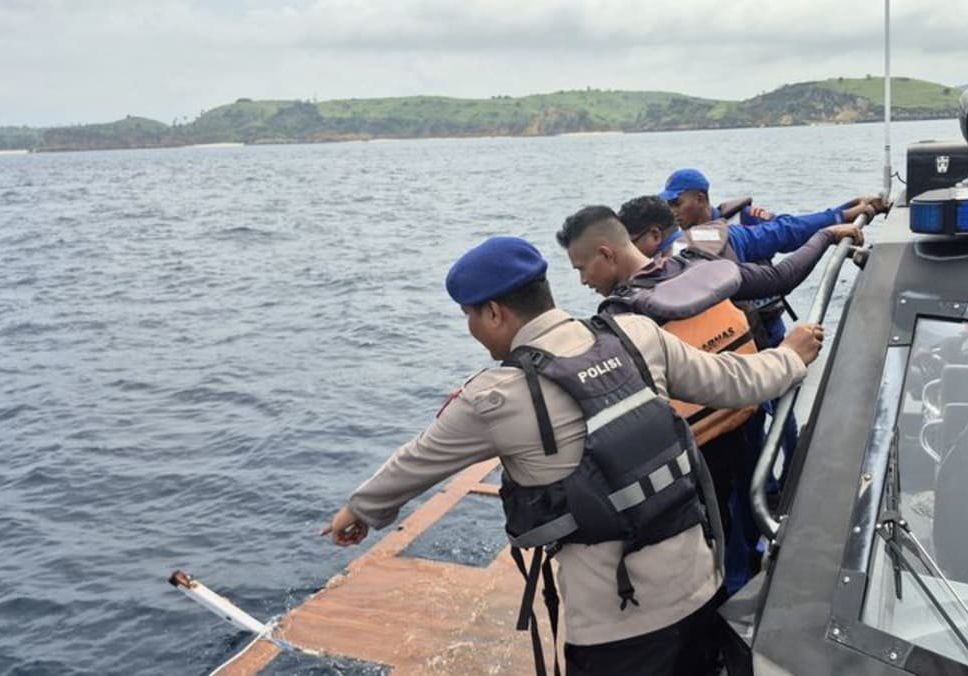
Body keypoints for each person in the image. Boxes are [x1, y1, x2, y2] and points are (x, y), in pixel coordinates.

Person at [321, 236, 825, 675]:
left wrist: (360, 510)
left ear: (493, 312)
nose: (471, 328)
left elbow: (417, 460)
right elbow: (736, 379)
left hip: (618, 628)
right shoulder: (635, 334)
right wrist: (790, 355)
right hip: (701, 587)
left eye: (470, 316)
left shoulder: (494, 396)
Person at [558, 204, 860, 593]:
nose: (583, 280)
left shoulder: (621, 319)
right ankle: (756, 575)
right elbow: (780, 277)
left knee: (718, 538)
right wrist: (825, 236)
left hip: (699, 456)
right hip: (749, 418)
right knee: (751, 508)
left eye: (582, 268)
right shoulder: (698, 266)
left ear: (606, 253)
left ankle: (729, 599)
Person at [657, 167, 885, 262]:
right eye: (668, 205)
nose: (673, 212)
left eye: (677, 203)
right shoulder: (676, 246)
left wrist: (844, 212)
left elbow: (790, 229)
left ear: (700, 199)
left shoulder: (743, 219)